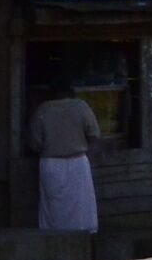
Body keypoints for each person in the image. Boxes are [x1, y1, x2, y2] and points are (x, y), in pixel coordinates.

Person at [29, 84, 104, 234]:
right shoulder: (81, 107)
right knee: (81, 206)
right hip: (77, 163)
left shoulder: (43, 109)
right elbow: (94, 134)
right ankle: (84, 236)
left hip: (50, 164)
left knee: (52, 207)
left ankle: (52, 238)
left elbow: (34, 143)